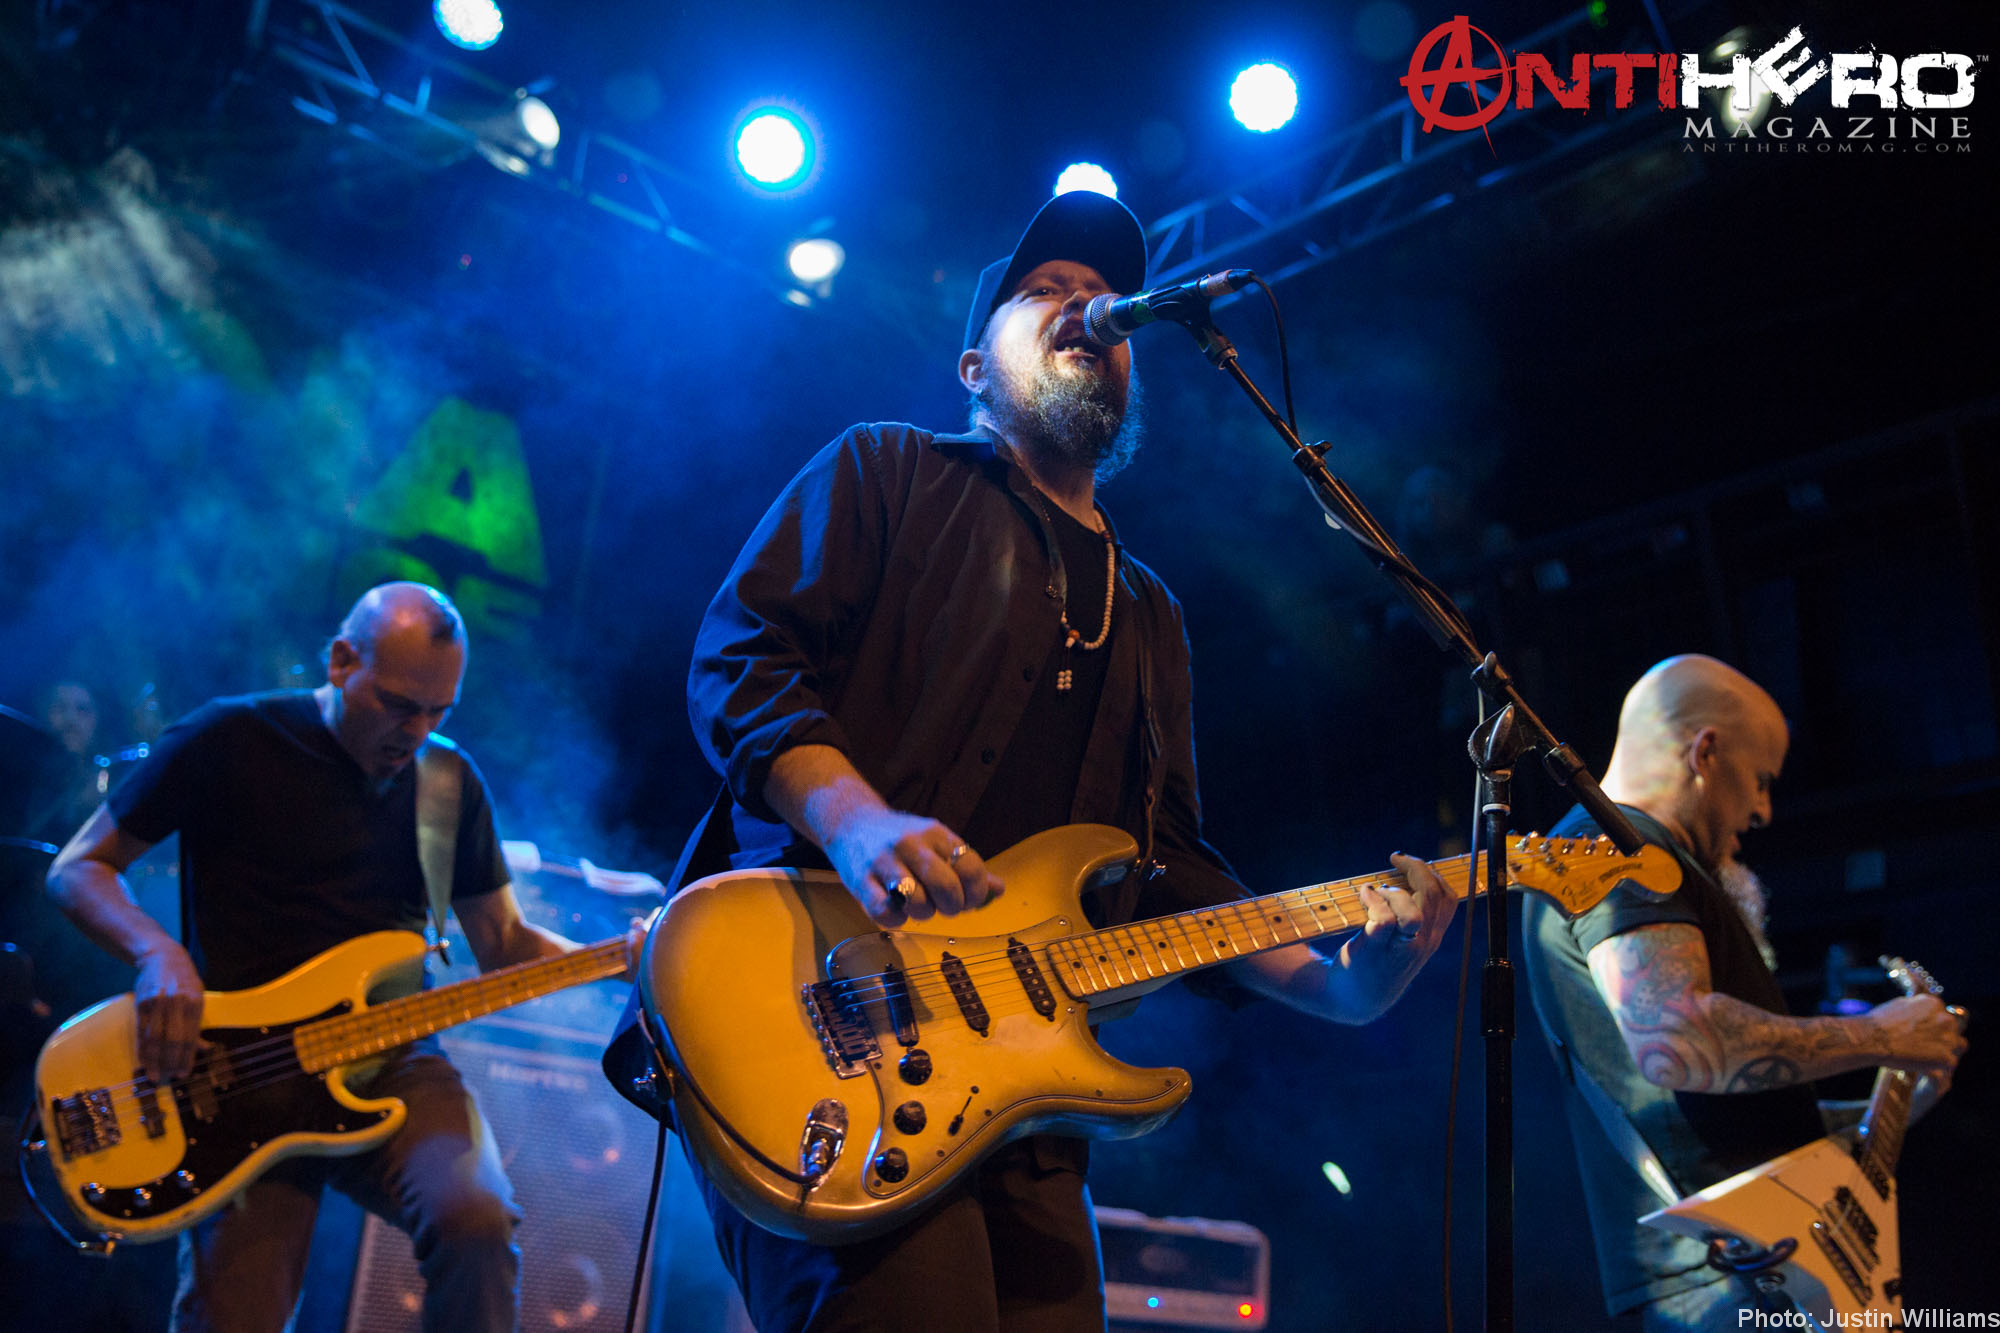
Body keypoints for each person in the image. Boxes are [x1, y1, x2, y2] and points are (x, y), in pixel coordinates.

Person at [605, 190, 1456, 1332]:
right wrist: (857, 821)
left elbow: (1165, 864)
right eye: (1046, 290)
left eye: (1101, 295)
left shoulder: (1149, 613)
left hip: (1019, 1094)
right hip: (816, 1013)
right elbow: (741, 660)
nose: (1085, 306)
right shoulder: (886, 471)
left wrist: (1339, 988)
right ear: (973, 366)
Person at [47, 582, 612, 1333]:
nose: (416, 731)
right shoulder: (230, 736)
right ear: (343, 661)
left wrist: (626, 959)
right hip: (236, 1076)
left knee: (475, 1219)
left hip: (392, 1057)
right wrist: (157, 953)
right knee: (233, 1320)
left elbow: (505, 944)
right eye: (400, 704)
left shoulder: (448, 782)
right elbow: (78, 867)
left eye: (438, 711)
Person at [1519, 654, 1967, 1330]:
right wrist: (1884, 1033)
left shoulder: (1632, 852)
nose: (1763, 810)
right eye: (1760, 781)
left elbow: (1715, 1111)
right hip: (1723, 1280)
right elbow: (1677, 1043)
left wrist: (1882, 1108)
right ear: (1705, 752)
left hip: (1751, 1266)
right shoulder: (1615, 848)